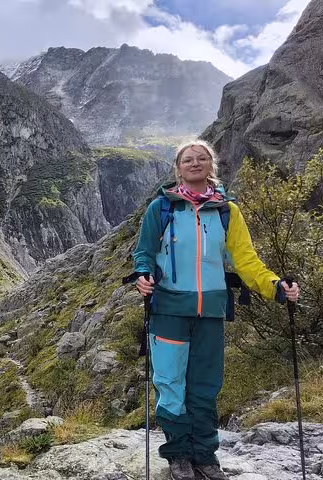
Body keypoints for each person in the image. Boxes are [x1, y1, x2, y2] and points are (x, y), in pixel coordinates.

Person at [131, 140, 300, 480]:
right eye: (188, 160)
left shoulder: (227, 211)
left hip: (210, 311)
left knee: (205, 386)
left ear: (212, 165)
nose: (195, 163)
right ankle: (178, 455)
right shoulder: (161, 208)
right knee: (170, 384)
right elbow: (144, 252)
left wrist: (274, 286)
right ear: (178, 169)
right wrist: (143, 275)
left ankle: (205, 456)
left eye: (202, 158)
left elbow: (246, 260)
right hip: (168, 310)